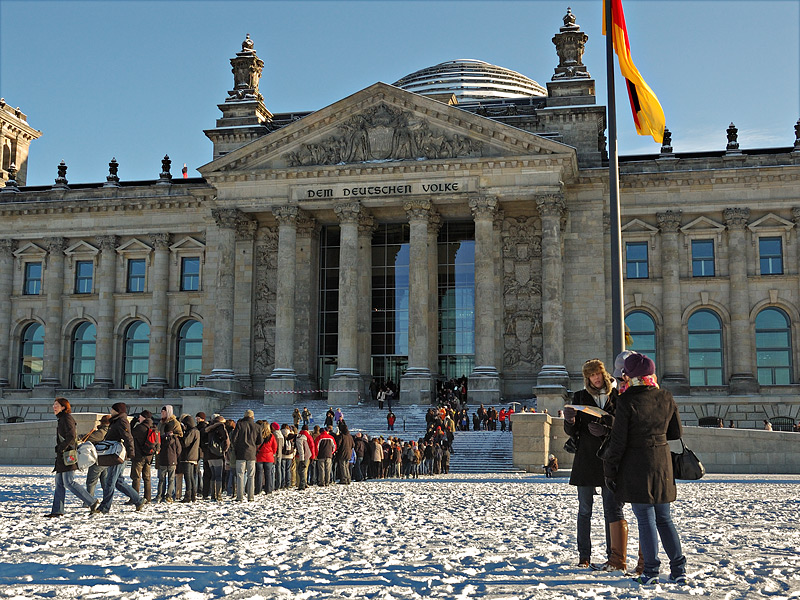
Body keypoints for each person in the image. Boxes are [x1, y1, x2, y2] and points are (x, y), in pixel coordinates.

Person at [602, 353, 687, 585]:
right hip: (662, 462)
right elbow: (675, 433)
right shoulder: (666, 396)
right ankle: (679, 569)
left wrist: (610, 469)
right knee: (665, 519)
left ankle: (650, 571)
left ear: (628, 376)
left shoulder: (627, 400)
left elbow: (618, 442)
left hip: (637, 464)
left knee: (645, 519)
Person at [563, 358, 624, 570]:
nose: (595, 378)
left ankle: (613, 556)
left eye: (598, 374)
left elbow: (624, 427)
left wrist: (606, 429)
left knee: (611, 511)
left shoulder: (617, 396)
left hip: (610, 460)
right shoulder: (580, 397)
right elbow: (572, 431)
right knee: (584, 511)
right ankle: (584, 555)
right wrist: (569, 421)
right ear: (587, 378)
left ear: (604, 374)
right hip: (586, 460)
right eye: (591, 375)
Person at [47, 397, 98, 517]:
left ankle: (92, 501)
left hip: (68, 455)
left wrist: (62, 447)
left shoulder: (67, 418)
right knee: (59, 483)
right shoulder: (62, 419)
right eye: (54, 405)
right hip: (63, 456)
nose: (54, 407)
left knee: (69, 482)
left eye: (57, 405)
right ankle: (57, 511)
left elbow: (71, 436)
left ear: (64, 407)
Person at [97, 402, 145, 513]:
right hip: (114, 453)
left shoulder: (121, 421)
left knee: (110, 481)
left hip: (117, 454)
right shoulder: (116, 421)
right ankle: (138, 500)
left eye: (112, 410)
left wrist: (131, 452)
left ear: (117, 411)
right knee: (118, 482)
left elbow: (128, 438)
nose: (110, 411)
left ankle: (104, 507)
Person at [231, 409, 262, 501]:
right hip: (252, 453)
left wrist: (237, 447)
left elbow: (234, 439)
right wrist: (254, 446)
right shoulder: (257, 426)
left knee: (240, 474)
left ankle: (240, 496)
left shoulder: (240, 425)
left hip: (240, 453)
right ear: (253, 416)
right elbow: (260, 441)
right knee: (251, 475)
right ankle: (250, 496)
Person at [130, 409, 155, 504]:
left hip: (139, 456)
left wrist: (132, 423)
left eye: (140, 417)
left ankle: (135, 498)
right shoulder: (153, 427)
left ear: (144, 418)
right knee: (147, 478)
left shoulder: (140, 428)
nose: (139, 418)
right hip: (149, 456)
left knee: (136, 477)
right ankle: (147, 498)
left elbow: (130, 434)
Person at [204, 415, 229, 501]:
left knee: (213, 475)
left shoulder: (209, 429)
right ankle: (218, 495)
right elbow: (226, 441)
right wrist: (224, 451)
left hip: (209, 455)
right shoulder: (221, 428)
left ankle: (213, 494)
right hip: (218, 455)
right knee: (218, 475)